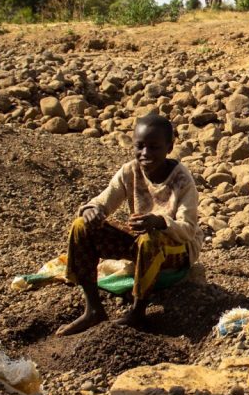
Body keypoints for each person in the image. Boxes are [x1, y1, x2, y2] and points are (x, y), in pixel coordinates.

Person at [56, 114, 203, 336]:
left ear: (169, 147)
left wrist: (160, 221)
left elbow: (188, 229)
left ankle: (138, 312)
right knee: (81, 226)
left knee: (149, 239)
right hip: (140, 240)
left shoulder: (182, 180)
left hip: (176, 247)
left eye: (154, 147)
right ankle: (93, 309)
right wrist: (91, 211)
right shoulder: (130, 171)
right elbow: (103, 201)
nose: (146, 154)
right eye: (140, 146)